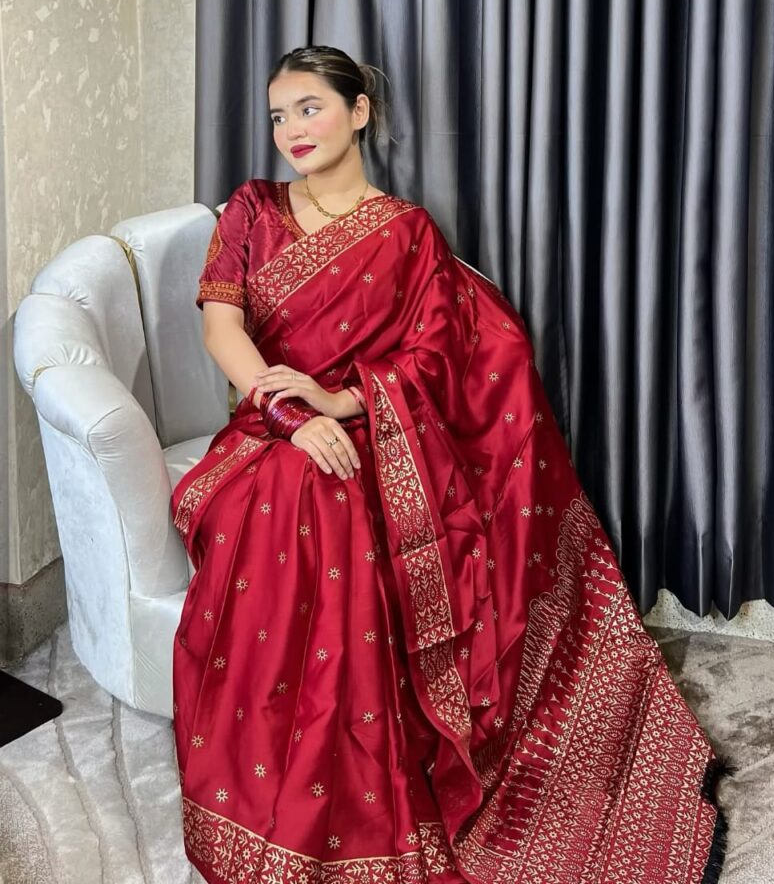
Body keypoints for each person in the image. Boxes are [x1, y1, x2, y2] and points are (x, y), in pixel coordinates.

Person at [171, 44, 727, 884]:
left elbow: (436, 357)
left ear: (359, 112)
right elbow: (223, 329)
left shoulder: (405, 231)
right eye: (279, 115)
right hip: (264, 426)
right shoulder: (251, 208)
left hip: (370, 425)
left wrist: (339, 402)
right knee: (302, 486)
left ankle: (344, 787)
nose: (292, 130)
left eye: (310, 108)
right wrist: (289, 414)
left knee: (336, 496)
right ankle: (285, 792)